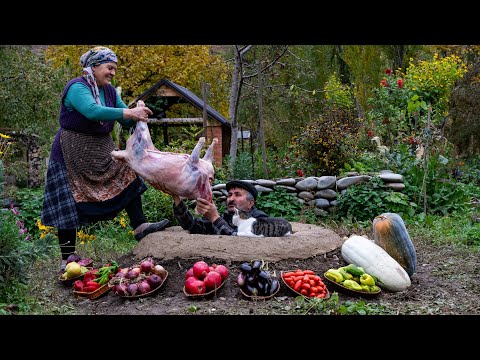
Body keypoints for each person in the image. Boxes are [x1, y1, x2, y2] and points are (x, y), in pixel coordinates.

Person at [41, 46, 169, 271]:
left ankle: (140, 226)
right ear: (94, 66)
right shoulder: (77, 87)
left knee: (128, 171)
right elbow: (93, 111)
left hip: (102, 151)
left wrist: (138, 113)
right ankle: (67, 259)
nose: (112, 73)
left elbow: (125, 120)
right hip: (71, 155)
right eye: (109, 67)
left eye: (114, 69)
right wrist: (129, 113)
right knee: (68, 204)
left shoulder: (109, 91)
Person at [172, 180, 268, 235]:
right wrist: (176, 196)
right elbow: (192, 226)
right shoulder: (227, 217)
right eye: (229, 195)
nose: (231, 199)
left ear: (250, 203)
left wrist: (214, 217)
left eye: (237, 195)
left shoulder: (260, 219)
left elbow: (237, 241)